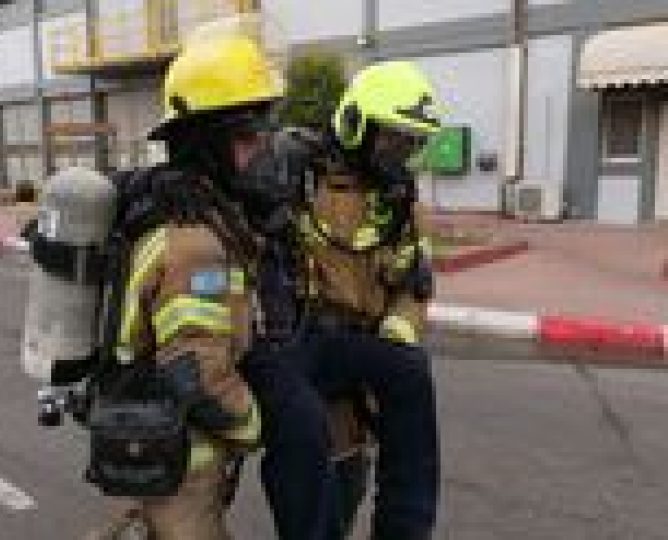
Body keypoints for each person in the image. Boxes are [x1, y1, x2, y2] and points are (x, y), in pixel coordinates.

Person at [85, 17, 286, 539]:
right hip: (179, 460)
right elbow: (198, 377)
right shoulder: (196, 245)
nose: (260, 152)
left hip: (156, 442)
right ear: (206, 142)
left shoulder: (194, 210)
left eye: (262, 134)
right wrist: (261, 425)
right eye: (246, 137)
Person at [241, 60, 443, 540]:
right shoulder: (293, 174)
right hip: (289, 339)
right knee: (308, 442)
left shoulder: (400, 203)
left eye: (411, 142)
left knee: (410, 373)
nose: (401, 154)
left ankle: (404, 531)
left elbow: (414, 286)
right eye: (392, 139)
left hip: (351, 347)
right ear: (356, 124)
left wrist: (397, 335)